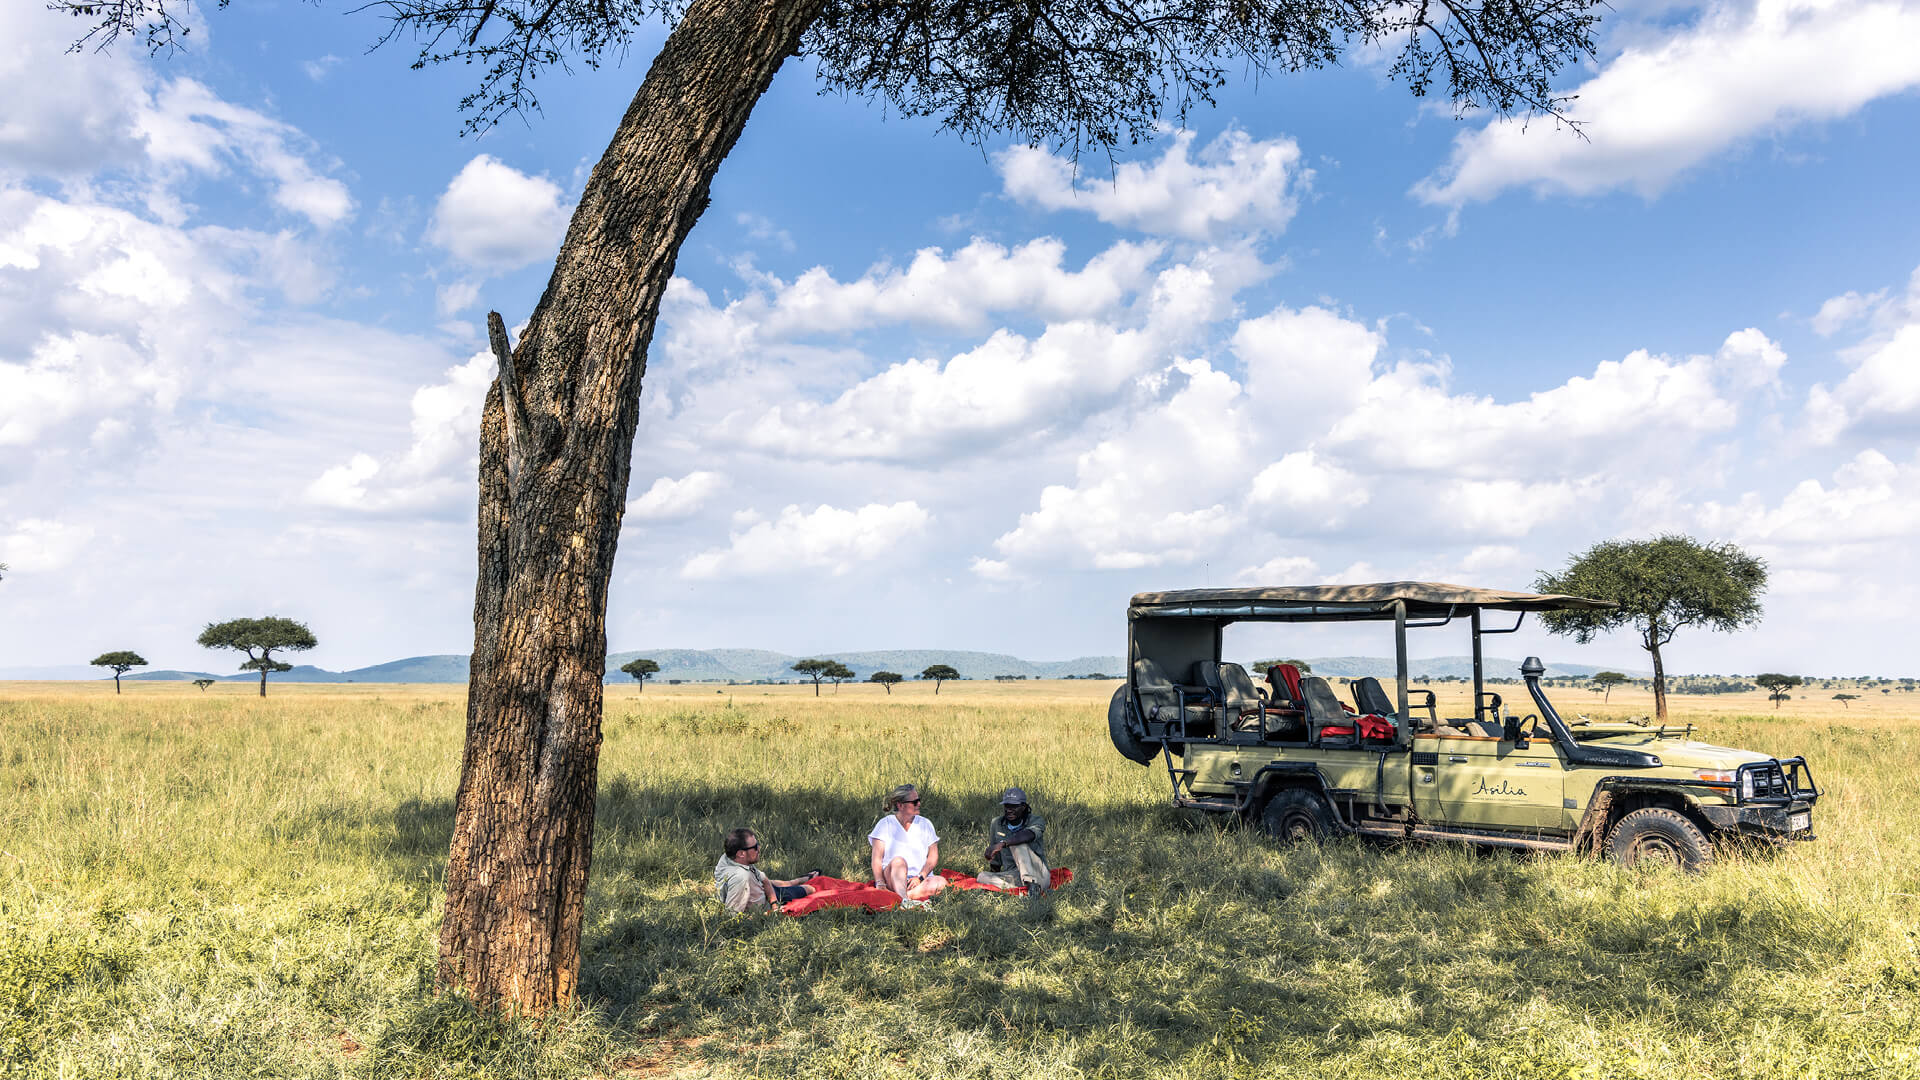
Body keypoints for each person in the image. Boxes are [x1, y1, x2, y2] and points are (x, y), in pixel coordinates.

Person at [868, 784, 945, 909]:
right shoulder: (885, 824)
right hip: (892, 876)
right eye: (914, 802)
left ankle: (903, 898)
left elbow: (933, 856)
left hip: (918, 880)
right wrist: (880, 883)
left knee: (941, 882)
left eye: (919, 800)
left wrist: (920, 877)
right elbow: (876, 859)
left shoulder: (925, 824)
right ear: (900, 805)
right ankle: (904, 900)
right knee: (899, 861)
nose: (919, 804)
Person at [713, 827, 819, 913]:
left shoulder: (728, 858)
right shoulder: (741, 877)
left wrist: (774, 904)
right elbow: (732, 915)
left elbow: (764, 880)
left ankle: (799, 880)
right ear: (741, 854)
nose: (759, 848)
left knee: (784, 883)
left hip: (764, 889)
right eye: (755, 847)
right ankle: (804, 881)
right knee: (811, 889)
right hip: (767, 896)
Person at [978, 786, 1050, 896]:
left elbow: (1029, 835)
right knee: (982, 877)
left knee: (1018, 845)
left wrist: (1003, 844)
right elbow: (995, 858)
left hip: (1038, 874)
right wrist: (993, 871)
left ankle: (1033, 886)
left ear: (1024, 807)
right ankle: (1025, 889)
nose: (1009, 810)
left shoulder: (1036, 820)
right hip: (1014, 875)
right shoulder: (997, 823)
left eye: (1014, 806)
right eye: (1007, 806)